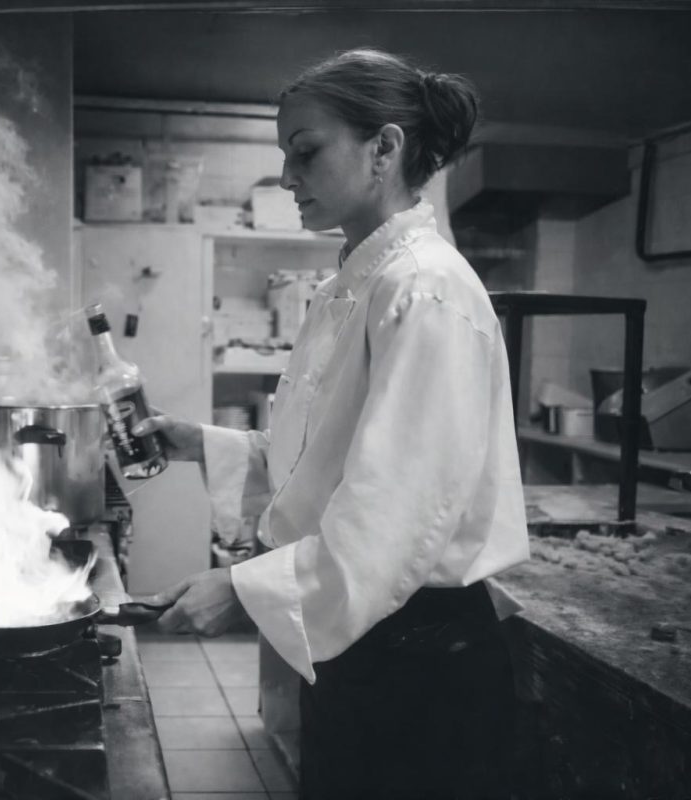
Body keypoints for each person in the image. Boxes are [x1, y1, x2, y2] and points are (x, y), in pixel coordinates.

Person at [134, 48, 530, 799]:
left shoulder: (426, 290)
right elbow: (329, 459)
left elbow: (393, 514)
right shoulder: (358, 281)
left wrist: (242, 589)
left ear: (384, 148)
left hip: (422, 660)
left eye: (305, 151)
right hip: (372, 644)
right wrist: (201, 443)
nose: (286, 177)